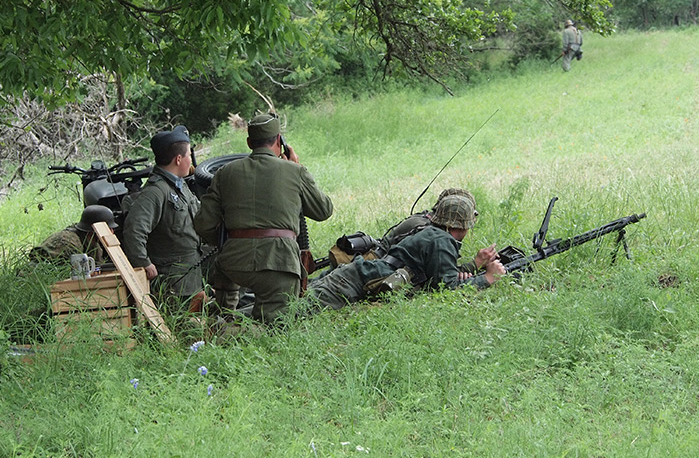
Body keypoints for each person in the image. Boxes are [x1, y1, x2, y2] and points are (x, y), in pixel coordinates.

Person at [193, 113, 334, 323]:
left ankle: (219, 321)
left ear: (249, 142)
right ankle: (222, 331)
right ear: (279, 141)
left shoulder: (224, 173)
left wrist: (229, 242)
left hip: (233, 263)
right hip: (277, 264)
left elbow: (203, 224)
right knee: (274, 329)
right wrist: (297, 169)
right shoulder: (295, 171)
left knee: (226, 305)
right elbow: (323, 211)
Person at [304, 192, 505, 311]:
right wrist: (487, 278)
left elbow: (438, 279)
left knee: (295, 298)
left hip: (354, 276)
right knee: (290, 311)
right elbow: (448, 289)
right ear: (461, 227)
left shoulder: (434, 234)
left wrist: (474, 266)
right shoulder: (441, 241)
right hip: (352, 280)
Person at [122, 125, 205, 309]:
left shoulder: (180, 186)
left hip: (191, 277)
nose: (191, 160)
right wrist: (143, 262)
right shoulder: (155, 192)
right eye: (189, 156)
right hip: (173, 283)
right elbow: (134, 230)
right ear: (178, 159)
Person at [379, 188, 498, 276]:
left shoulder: (429, 225)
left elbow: (438, 270)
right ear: (463, 226)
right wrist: (479, 268)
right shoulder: (437, 239)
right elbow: (442, 281)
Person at [28, 204, 114, 265]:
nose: (112, 232)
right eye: (108, 228)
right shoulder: (67, 243)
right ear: (94, 230)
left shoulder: (93, 245)